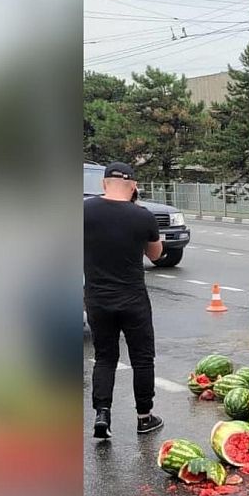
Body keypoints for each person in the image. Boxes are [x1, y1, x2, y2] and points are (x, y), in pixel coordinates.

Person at [84, 162, 164, 438]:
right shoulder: (142, 216)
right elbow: (156, 254)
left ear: (104, 183)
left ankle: (102, 414)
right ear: (134, 187)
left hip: (97, 298)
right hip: (133, 299)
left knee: (105, 357)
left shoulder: (84, 210)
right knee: (142, 358)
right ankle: (144, 417)